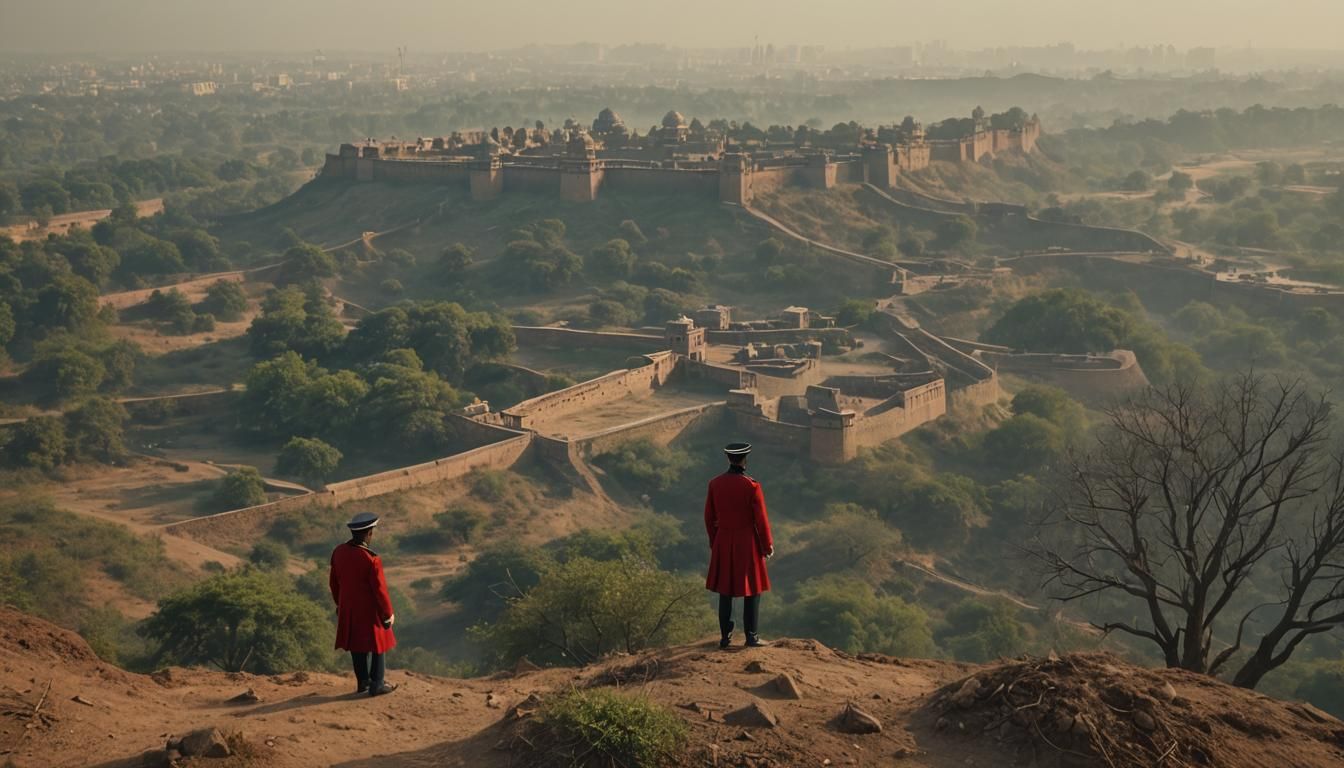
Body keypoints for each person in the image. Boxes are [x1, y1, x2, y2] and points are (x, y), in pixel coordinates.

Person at [704, 442, 774, 649]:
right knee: (753, 589)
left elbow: (709, 517)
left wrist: (715, 541)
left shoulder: (714, 484)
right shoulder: (751, 486)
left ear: (728, 459)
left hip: (723, 539)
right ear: (744, 460)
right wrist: (767, 545)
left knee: (725, 590)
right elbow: (761, 520)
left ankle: (725, 637)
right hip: (747, 540)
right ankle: (751, 636)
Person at [329, 512, 398, 696]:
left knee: (356, 645)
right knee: (379, 644)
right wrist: (387, 614)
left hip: (348, 609)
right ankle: (378, 683)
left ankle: (363, 682)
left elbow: (334, 583)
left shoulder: (338, 552)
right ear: (369, 533)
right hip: (370, 610)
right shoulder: (371, 559)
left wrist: (340, 604)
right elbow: (380, 590)